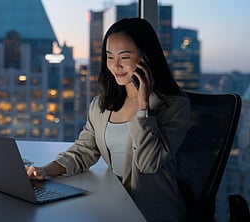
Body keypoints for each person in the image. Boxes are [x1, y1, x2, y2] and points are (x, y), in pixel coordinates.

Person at [26, 17, 190, 222]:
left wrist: (143, 105)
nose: (116, 66)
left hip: (151, 212)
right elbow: (84, 150)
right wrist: (45, 170)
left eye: (124, 57)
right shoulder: (102, 105)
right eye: (109, 57)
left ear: (146, 58)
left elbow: (148, 164)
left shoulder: (173, 105)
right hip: (113, 202)